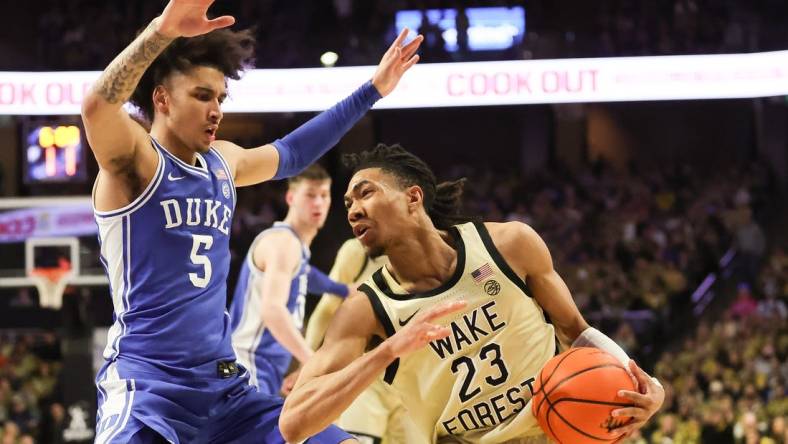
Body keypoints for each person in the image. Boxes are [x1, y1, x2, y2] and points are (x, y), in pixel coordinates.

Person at [80, 0, 422, 440]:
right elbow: (96, 108)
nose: (217, 109)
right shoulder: (136, 162)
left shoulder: (224, 161)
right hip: (149, 385)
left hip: (224, 391)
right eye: (202, 96)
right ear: (161, 98)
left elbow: (295, 151)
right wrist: (160, 33)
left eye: (221, 97)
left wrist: (373, 89)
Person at [281, 144, 665, 443]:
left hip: (559, 429)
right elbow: (294, 423)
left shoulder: (510, 244)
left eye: (365, 194)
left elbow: (576, 330)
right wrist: (387, 351)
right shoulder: (367, 311)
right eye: (348, 204)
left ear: (413, 198)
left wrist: (649, 387)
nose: (352, 210)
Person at [230, 164, 349, 395]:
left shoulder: (296, 248)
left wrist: (343, 289)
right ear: (291, 197)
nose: (318, 203)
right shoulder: (283, 243)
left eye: (324, 195)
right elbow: (272, 310)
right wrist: (310, 361)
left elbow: (306, 276)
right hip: (248, 364)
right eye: (310, 195)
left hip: (264, 368)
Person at [305, 238, 418, 443]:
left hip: (413, 385)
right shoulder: (357, 251)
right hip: (367, 377)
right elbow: (327, 308)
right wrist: (307, 363)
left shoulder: (429, 253)